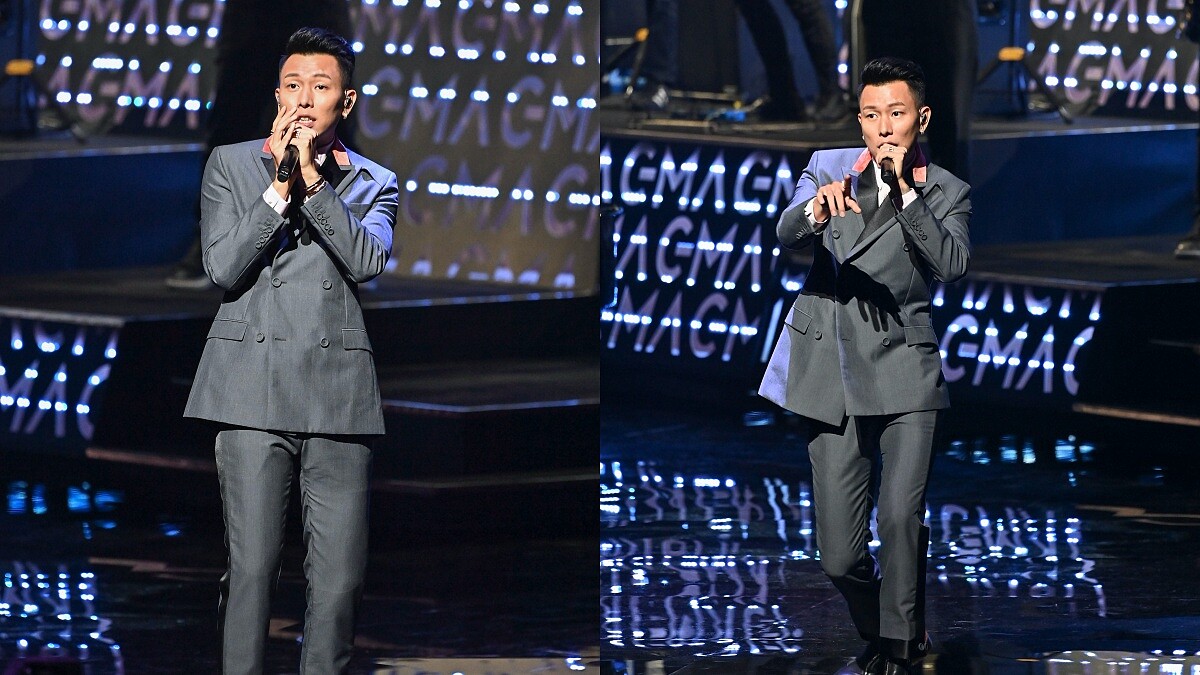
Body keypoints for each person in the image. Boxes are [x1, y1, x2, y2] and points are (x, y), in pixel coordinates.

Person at [183, 27, 398, 674]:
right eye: (294, 85)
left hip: (338, 394)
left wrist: (312, 180)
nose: (305, 99)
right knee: (251, 570)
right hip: (250, 386)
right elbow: (223, 266)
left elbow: (366, 260)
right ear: (277, 94)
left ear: (346, 102)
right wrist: (279, 191)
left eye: (321, 87)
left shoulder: (374, 182)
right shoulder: (231, 165)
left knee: (339, 581)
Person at [758, 57, 971, 674]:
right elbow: (785, 231)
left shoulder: (945, 190)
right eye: (871, 115)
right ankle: (887, 624)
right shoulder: (829, 169)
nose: (882, 127)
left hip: (906, 367)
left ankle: (901, 649)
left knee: (900, 516)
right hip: (831, 371)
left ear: (920, 120)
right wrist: (816, 211)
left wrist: (906, 196)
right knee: (839, 556)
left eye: (895, 114)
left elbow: (952, 265)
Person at [165, 0, 352, 288]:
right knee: (231, 124)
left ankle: (347, 240)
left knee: (330, 123)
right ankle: (213, 240)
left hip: (317, 8)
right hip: (252, 13)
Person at [861, 0, 978, 180]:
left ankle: (951, 194)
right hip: (888, 11)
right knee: (885, 104)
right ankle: (888, 190)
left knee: (950, 125)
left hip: (944, 12)